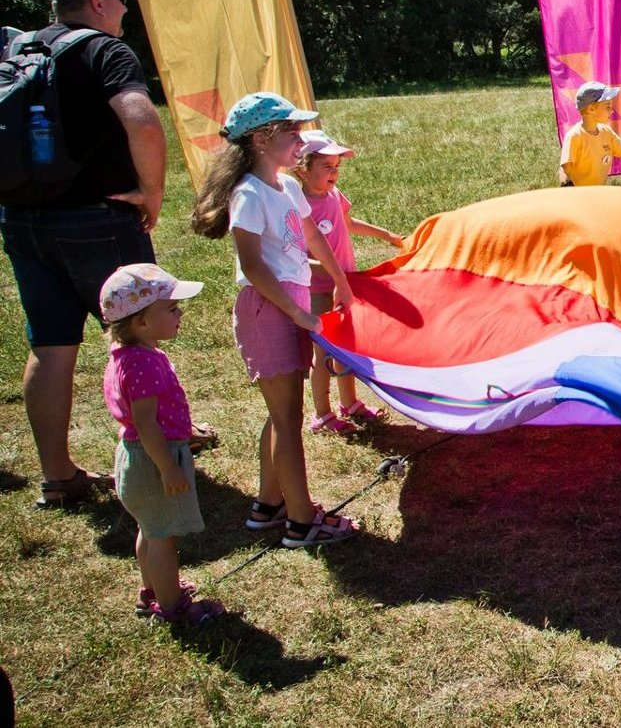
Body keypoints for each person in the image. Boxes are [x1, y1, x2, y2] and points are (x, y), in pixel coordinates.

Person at [1, 0, 177, 508]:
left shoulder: (22, 49)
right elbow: (142, 120)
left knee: (49, 344)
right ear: (98, 3)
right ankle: (161, 444)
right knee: (138, 331)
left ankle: (58, 475)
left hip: (22, 220)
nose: (126, 9)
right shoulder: (104, 50)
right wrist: (151, 193)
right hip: (97, 221)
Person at [190, 92, 360, 548]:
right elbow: (253, 267)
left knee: (284, 412)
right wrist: (299, 314)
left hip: (292, 302)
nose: (300, 141)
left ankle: (268, 506)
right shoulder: (249, 194)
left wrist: (341, 283)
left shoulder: (286, 186)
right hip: (268, 308)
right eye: (292, 132)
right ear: (263, 139)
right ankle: (302, 522)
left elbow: (312, 240)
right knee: (288, 420)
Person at [97, 263, 224, 625]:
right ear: (140, 322)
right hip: (153, 459)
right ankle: (173, 608)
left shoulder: (128, 355)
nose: (178, 313)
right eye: (170, 308)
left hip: (135, 455)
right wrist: (168, 467)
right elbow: (145, 422)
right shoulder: (142, 365)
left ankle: (153, 590)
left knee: (150, 530)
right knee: (163, 536)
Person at [289, 128, 404, 435]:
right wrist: (332, 274)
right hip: (318, 291)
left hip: (344, 287)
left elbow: (349, 223)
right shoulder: (298, 207)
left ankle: (349, 402)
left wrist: (387, 236)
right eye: (327, 166)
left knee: (347, 346)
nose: (335, 173)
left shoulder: (333, 195)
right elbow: (297, 257)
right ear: (302, 169)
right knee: (324, 351)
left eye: (337, 166)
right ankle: (322, 415)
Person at [558, 81, 621, 186]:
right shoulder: (574, 136)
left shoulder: (607, 132)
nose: (612, 111)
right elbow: (565, 169)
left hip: (599, 195)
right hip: (579, 197)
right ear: (591, 109)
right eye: (608, 106)